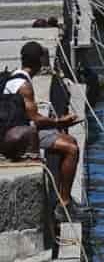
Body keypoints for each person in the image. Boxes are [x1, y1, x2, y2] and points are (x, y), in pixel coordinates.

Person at [3, 42, 81, 213]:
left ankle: (63, 197)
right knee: (71, 148)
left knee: (68, 140)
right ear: (39, 61)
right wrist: (61, 122)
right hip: (17, 136)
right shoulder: (25, 87)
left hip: (13, 129)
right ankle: (64, 205)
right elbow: (36, 120)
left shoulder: (14, 76)